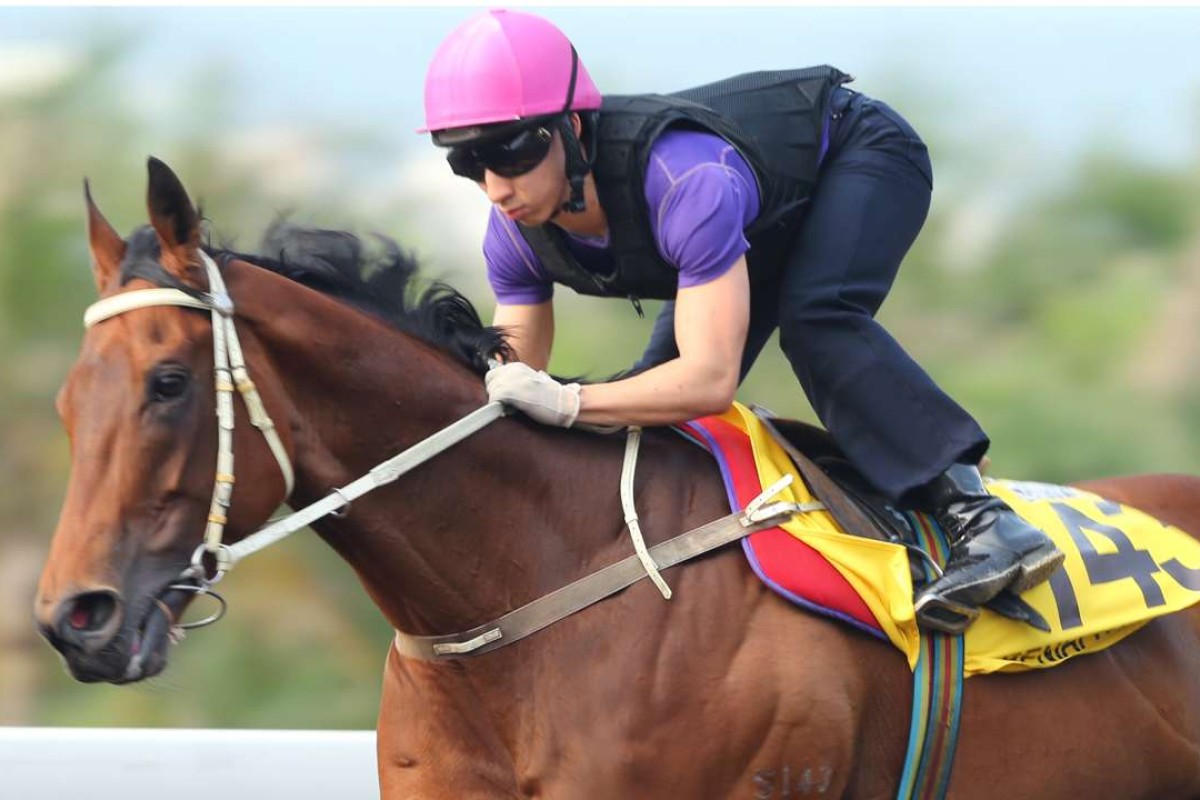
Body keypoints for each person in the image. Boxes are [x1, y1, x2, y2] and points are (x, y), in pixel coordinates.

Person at [417, 8, 1063, 633]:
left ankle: (984, 520)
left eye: (511, 153)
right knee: (647, 392)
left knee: (816, 320)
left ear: (574, 130)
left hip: (861, 151)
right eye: (467, 162)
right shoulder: (512, 234)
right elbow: (518, 378)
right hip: (759, 210)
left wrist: (567, 400)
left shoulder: (682, 179)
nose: (496, 187)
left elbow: (708, 380)